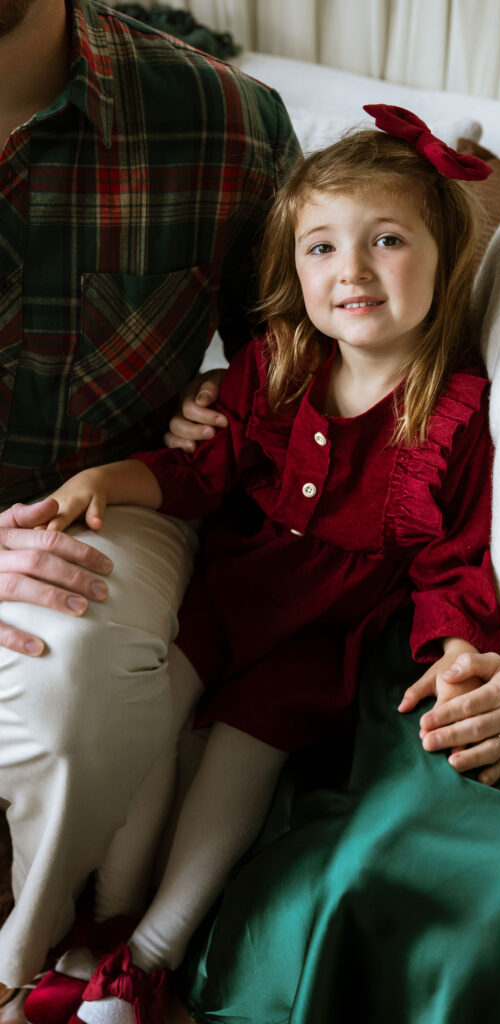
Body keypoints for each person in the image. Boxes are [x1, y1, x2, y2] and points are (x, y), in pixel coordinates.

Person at [167, 1, 500, 1022]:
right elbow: (399, 387)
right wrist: (232, 399)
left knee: (485, 935)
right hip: (457, 637)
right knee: (342, 884)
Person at [22, 107, 500, 1024]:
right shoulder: (276, 363)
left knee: (235, 759)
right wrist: (105, 481)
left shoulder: (455, 412)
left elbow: (457, 559)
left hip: (324, 637)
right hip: (229, 593)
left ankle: (153, 955)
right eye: (320, 248)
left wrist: (453, 648)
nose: (350, 270)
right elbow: (199, 473)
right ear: (292, 269)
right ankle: (99, 920)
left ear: (443, 257)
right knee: (147, 710)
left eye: (387, 240)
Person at [0, 0, 299, 1015]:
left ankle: (21, 966)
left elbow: (292, 374)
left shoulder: (226, 124)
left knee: (77, 693)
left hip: (111, 491)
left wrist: (220, 403)